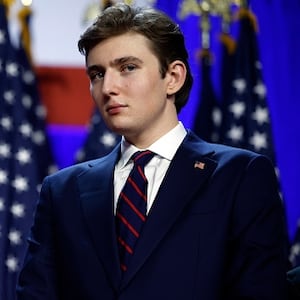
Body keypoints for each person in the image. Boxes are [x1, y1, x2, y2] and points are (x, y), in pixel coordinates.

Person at [17, 3, 288, 299]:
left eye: (127, 67)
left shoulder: (239, 176)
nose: (108, 87)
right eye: (96, 74)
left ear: (173, 77)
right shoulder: (62, 191)